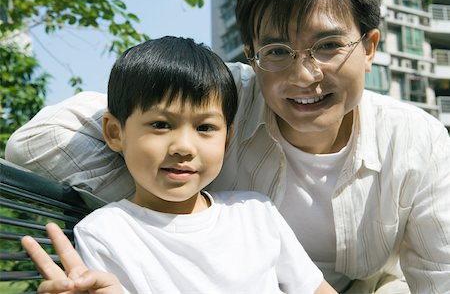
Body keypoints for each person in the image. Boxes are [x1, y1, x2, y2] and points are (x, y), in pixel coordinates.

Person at [7, 0, 450, 293]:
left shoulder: (417, 142)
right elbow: (39, 141)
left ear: (370, 47)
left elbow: (439, 275)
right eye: (276, 51)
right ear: (251, 55)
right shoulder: (218, 100)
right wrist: (167, 208)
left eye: (329, 45)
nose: (303, 76)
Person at [21, 36, 336, 294]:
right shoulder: (105, 233)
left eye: (205, 128)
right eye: (160, 125)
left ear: (227, 141)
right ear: (115, 133)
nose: (184, 147)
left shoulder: (256, 213)